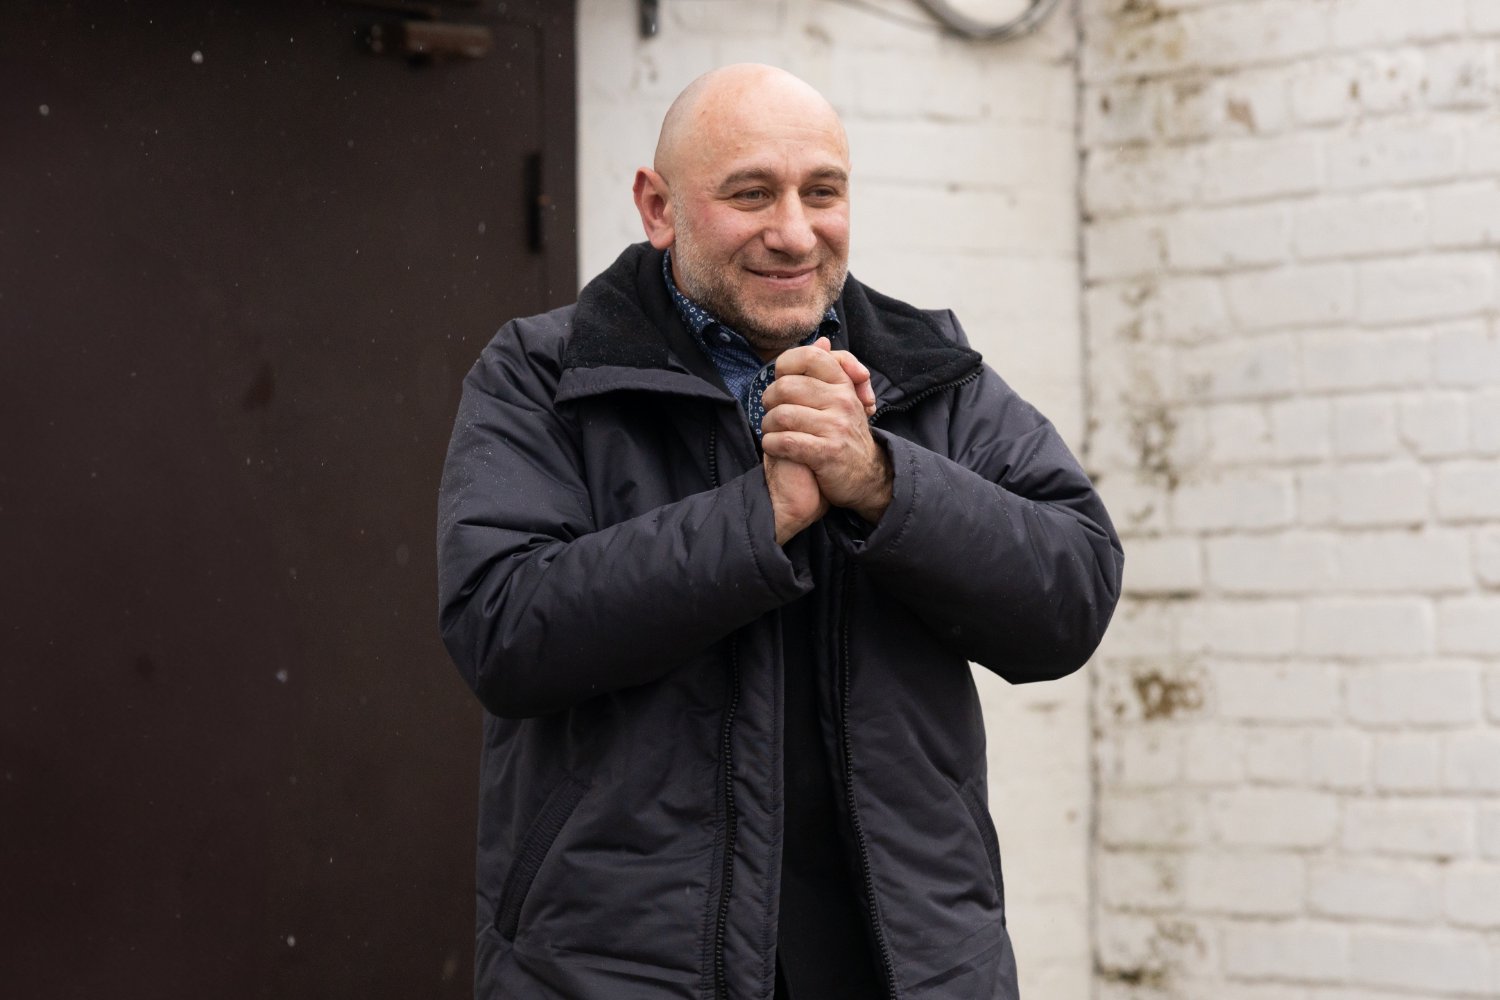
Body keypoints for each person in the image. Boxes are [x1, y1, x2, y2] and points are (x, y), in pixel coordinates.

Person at [437, 64, 1123, 1000]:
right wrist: (762, 516)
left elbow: (1072, 595)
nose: (795, 232)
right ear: (658, 207)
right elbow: (505, 629)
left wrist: (879, 481)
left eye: (822, 192)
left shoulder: (933, 376)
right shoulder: (544, 375)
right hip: (616, 970)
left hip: (910, 965)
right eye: (751, 194)